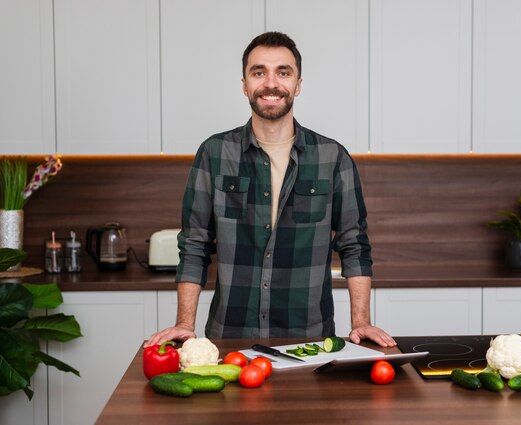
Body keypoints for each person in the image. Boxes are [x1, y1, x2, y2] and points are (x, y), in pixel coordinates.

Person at [146, 32, 395, 348]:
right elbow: (195, 243)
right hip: (230, 337)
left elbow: (354, 245)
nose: (271, 83)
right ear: (245, 85)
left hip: (311, 339)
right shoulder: (214, 153)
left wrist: (362, 322)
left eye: (283, 72)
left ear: (298, 84)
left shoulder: (332, 157)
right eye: (259, 72)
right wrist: (184, 323)